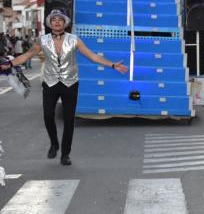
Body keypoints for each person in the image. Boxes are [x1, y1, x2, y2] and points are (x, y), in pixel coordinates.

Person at [0, 10, 127, 165]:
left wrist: (113, 65)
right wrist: (10, 63)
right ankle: (54, 143)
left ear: (65, 23)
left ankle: (65, 154)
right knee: (48, 115)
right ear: (50, 23)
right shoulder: (43, 40)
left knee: (68, 120)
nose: (57, 22)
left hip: (70, 83)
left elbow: (92, 56)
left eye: (61, 19)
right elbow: (27, 55)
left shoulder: (75, 40)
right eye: (54, 19)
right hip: (50, 82)